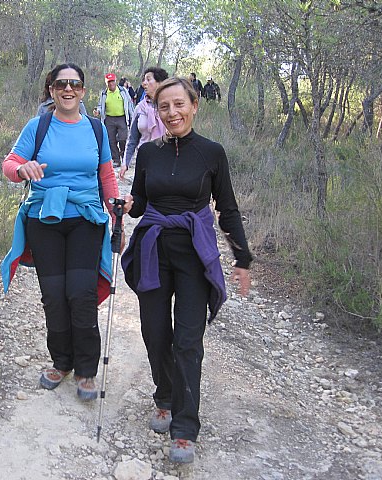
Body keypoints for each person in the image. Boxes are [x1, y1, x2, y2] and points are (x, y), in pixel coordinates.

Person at [120, 77, 252, 463]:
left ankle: (184, 426)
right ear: (157, 111)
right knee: (155, 331)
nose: (172, 112)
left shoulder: (212, 153)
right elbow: (141, 200)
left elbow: (227, 208)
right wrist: (127, 205)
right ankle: (164, 396)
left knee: (188, 340)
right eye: (164, 106)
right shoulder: (149, 153)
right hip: (154, 248)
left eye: (179, 104)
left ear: (194, 105)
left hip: (194, 253)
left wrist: (242, 258)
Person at [1, 63, 121, 402]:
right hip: (45, 218)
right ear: (51, 90)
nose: (68, 89)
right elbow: (10, 163)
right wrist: (22, 169)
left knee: (81, 293)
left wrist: (116, 211)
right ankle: (61, 362)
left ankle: (86, 370)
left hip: (86, 218)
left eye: (75, 84)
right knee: (53, 295)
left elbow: (106, 176)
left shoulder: (96, 129)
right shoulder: (37, 126)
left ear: (83, 91)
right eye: (61, 84)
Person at [119, 67, 169, 180]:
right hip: (144, 160)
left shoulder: (170, 107)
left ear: (160, 83)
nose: (144, 83)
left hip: (166, 160)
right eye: (144, 80)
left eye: (148, 79)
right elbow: (132, 139)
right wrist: (125, 163)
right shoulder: (140, 108)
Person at [97, 73, 135, 167]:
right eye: (109, 82)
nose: (111, 84)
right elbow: (100, 105)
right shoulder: (104, 93)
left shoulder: (123, 91)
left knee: (123, 139)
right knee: (111, 141)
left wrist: (133, 116)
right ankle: (116, 160)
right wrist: (97, 111)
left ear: (115, 81)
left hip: (122, 118)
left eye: (112, 81)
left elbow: (129, 104)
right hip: (109, 119)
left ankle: (125, 159)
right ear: (106, 83)